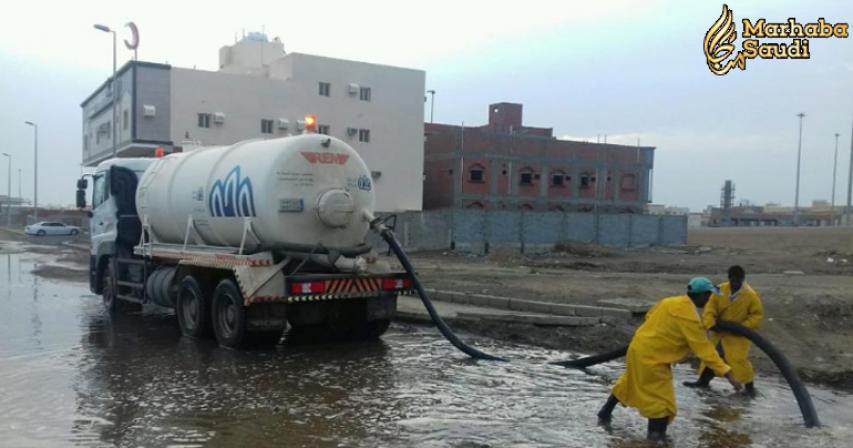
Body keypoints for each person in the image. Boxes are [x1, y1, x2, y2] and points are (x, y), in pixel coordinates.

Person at [597, 277, 742, 441]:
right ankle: (655, 437)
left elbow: (650, 316)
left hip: (637, 349)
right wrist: (728, 374)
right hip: (653, 359)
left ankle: (605, 413)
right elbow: (705, 350)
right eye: (708, 296)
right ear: (701, 295)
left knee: (631, 380)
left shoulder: (668, 302)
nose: (709, 299)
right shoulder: (690, 319)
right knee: (662, 403)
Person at [684, 265, 764, 396]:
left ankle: (749, 388)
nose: (735, 284)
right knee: (713, 356)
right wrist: (711, 324)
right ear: (729, 279)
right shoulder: (720, 290)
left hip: (737, 337)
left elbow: (756, 315)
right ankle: (703, 381)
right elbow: (710, 308)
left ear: (742, 279)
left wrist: (744, 327)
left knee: (739, 360)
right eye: (733, 281)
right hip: (720, 333)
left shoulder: (751, 295)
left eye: (738, 281)